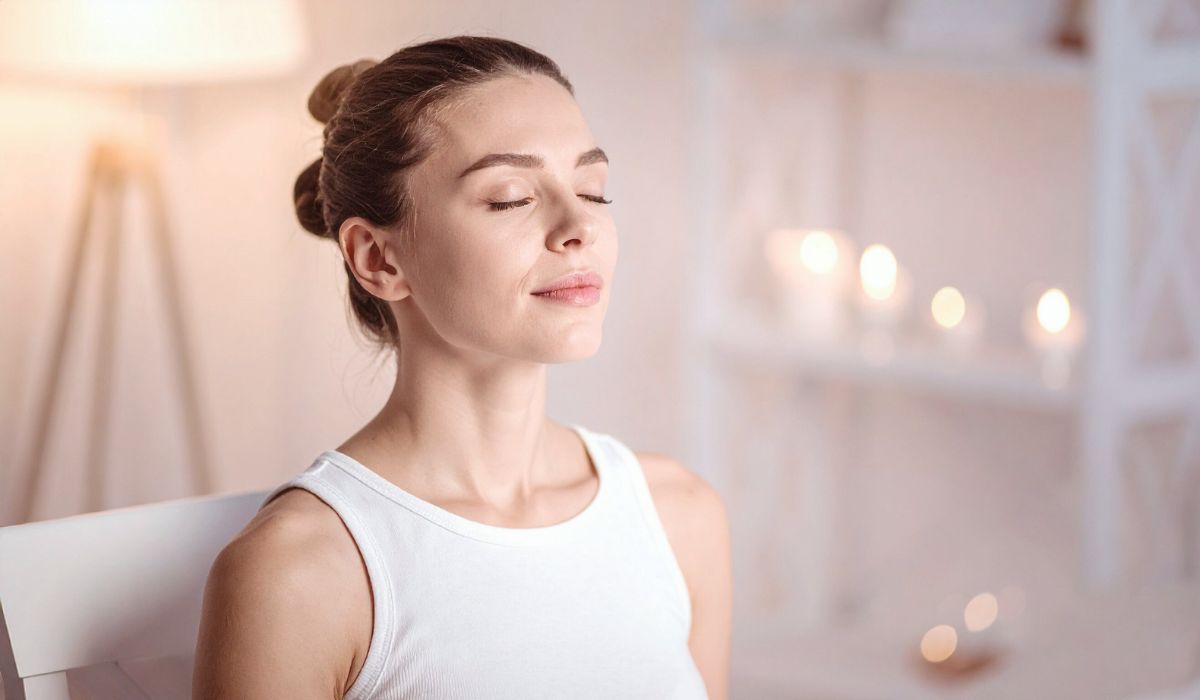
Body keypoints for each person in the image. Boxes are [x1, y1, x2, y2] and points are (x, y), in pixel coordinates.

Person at [192, 35, 731, 700]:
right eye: (509, 197)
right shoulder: (302, 571)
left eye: (594, 190)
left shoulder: (679, 516)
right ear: (379, 260)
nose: (579, 226)